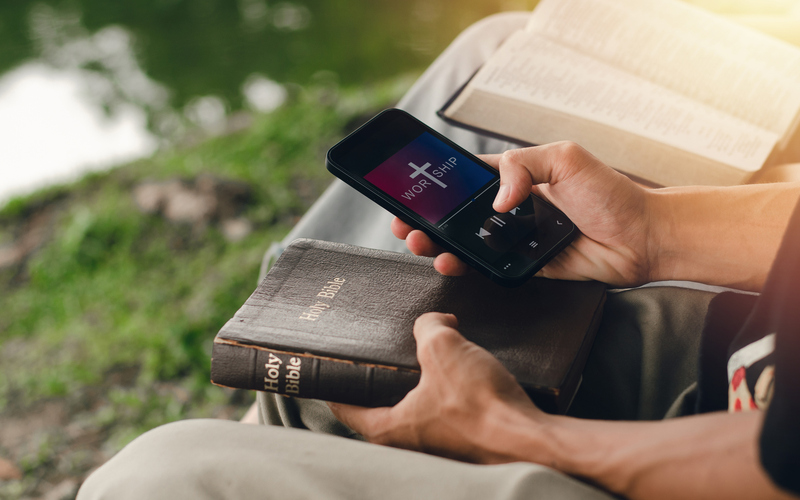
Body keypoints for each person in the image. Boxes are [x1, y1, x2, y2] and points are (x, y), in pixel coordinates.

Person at [77, 12, 800, 500]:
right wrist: (655, 230)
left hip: (743, 462)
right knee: (342, 376)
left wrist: (517, 436)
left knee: (157, 478)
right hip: (744, 355)